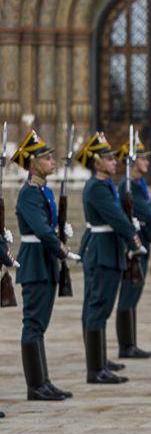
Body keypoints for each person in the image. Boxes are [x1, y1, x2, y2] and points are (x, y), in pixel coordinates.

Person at [12, 129, 79, 401]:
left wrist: (62, 232)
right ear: (33, 163)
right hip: (36, 260)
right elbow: (40, 228)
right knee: (33, 323)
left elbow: (49, 223)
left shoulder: (43, 191)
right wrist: (61, 248)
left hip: (46, 260)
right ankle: (35, 385)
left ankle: (43, 381)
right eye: (47, 158)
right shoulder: (28, 193)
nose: (52, 162)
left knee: (40, 324)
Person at [77, 132, 146, 385]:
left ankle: (99, 360)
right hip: (103, 250)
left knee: (100, 307)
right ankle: (95, 369)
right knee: (98, 307)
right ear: (96, 162)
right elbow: (115, 217)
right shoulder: (96, 187)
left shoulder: (104, 184)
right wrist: (134, 239)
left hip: (107, 247)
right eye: (108, 158)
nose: (114, 162)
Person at [114, 137, 151, 359]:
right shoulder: (128, 186)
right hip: (134, 248)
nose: (147, 162)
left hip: (141, 243)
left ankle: (130, 343)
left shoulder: (136, 184)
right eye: (143, 159)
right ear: (132, 162)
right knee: (128, 295)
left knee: (133, 295)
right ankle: (126, 346)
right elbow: (149, 217)